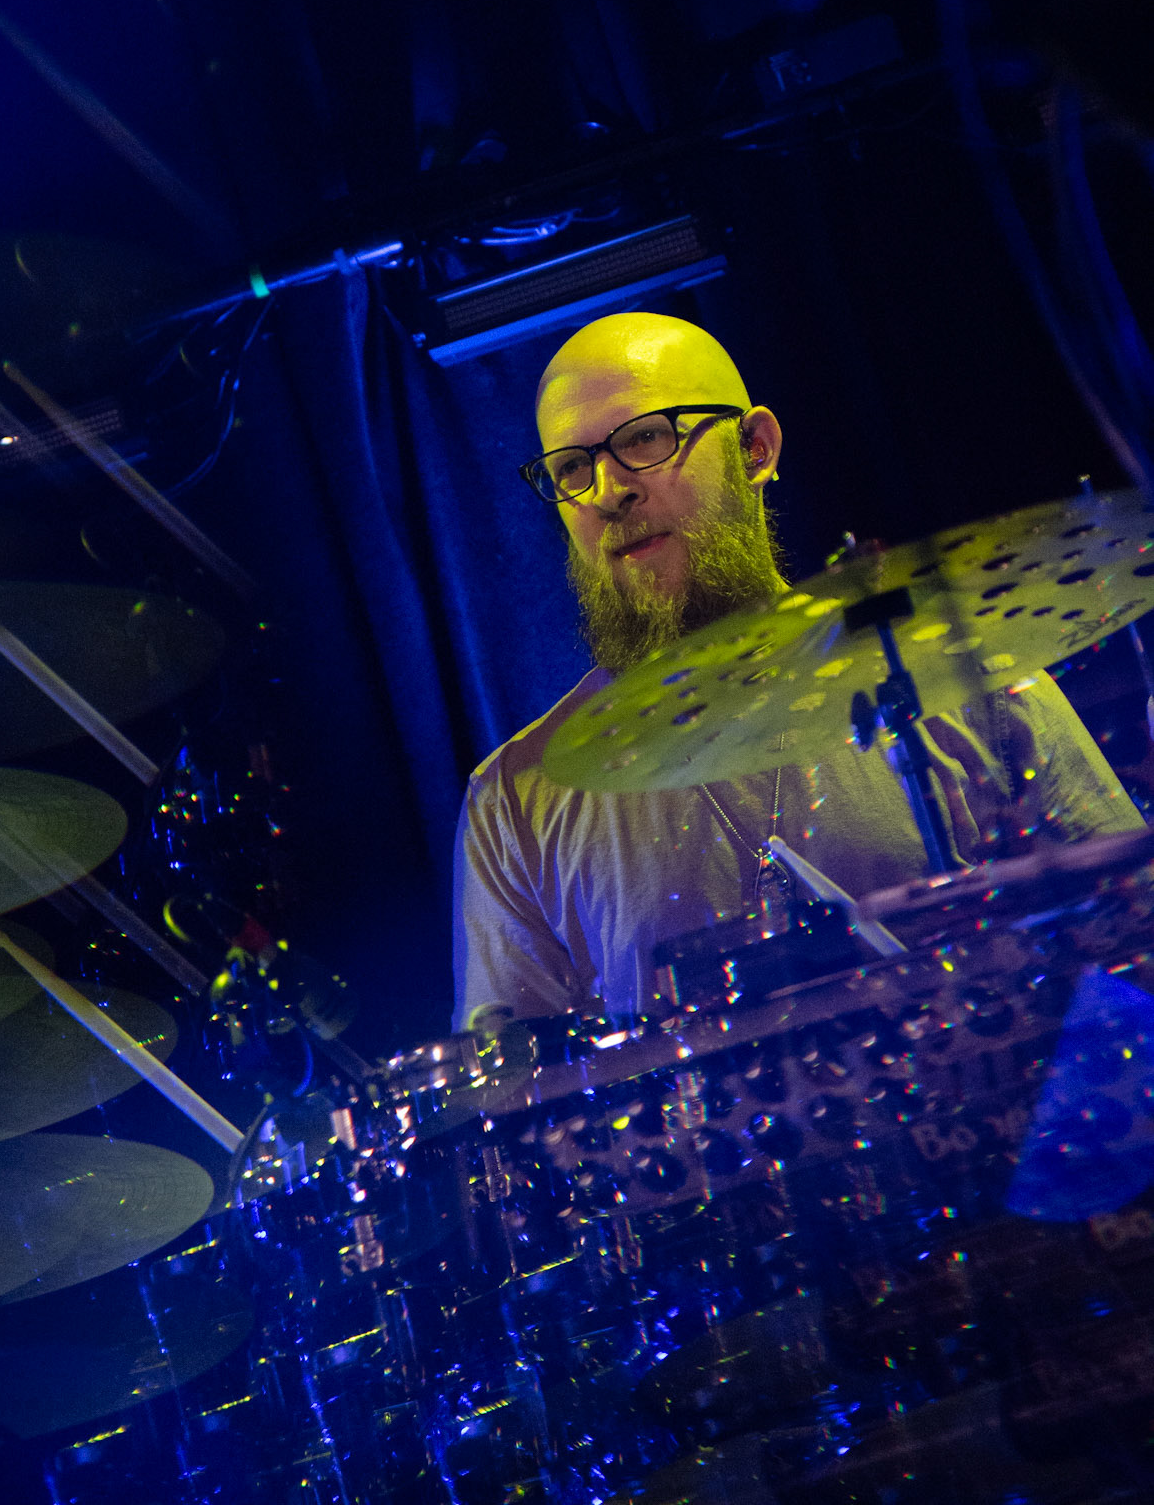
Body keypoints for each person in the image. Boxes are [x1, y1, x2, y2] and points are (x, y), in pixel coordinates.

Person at [452, 311, 1144, 1028]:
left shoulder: (973, 681)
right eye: (571, 467)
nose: (606, 490)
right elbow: (520, 1080)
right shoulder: (516, 803)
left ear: (755, 449)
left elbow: (1135, 934)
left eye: (645, 439)